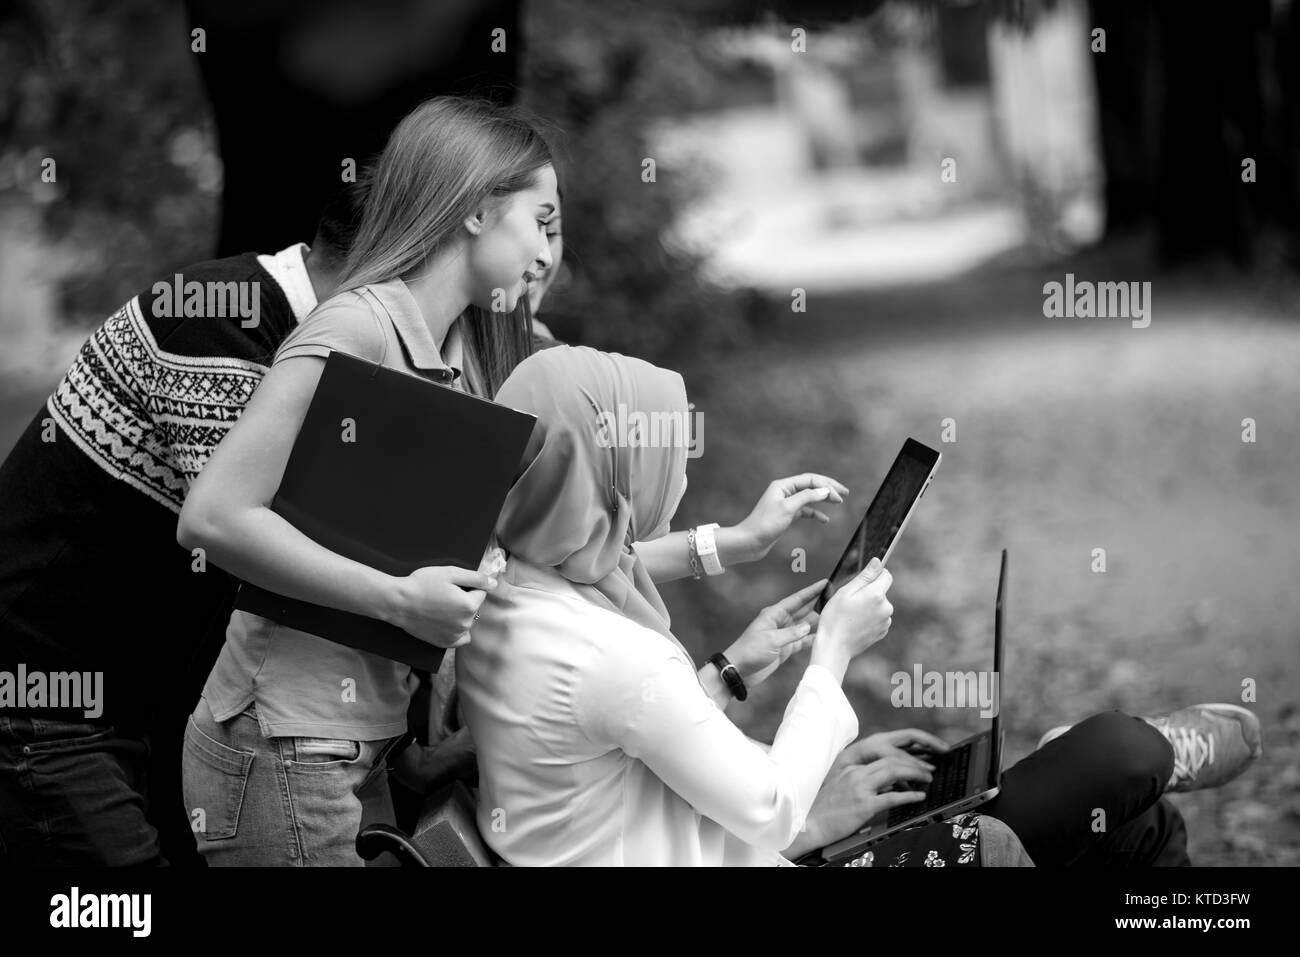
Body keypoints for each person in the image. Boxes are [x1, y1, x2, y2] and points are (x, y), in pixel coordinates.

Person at [456, 345, 1263, 866]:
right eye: (657, 458)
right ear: (608, 482)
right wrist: (831, 658)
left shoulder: (506, 593)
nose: (677, 476)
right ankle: (1155, 750)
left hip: (730, 838)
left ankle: (1120, 765)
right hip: (763, 843)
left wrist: (735, 672)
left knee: (1138, 828)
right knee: (1114, 761)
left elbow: (614, 746)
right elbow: (769, 807)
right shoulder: (609, 652)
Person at [176, 95, 555, 866]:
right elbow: (213, 518)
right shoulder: (356, 326)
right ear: (477, 210)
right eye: (541, 222)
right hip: (286, 746)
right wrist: (400, 599)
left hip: (356, 749)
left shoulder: (450, 352)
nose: (549, 253)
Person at [0, 181, 366, 867]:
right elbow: (254, 549)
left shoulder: (309, 344)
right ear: (388, 252)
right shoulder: (218, 317)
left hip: (127, 698)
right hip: (40, 702)